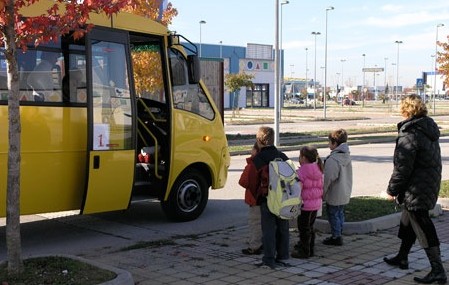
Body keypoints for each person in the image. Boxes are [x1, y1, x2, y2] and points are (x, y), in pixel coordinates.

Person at [383, 95, 446, 284]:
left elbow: (402, 168)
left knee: (423, 225)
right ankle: (402, 256)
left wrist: (391, 190)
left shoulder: (410, 134)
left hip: (416, 187)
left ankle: (438, 270)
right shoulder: (427, 129)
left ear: (407, 110)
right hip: (428, 183)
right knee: (409, 221)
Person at [246, 126, 290, 269]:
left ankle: (269, 258)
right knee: (283, 226)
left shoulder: (258, 159)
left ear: (259, 140)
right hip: (283, 197)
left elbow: (252, 182)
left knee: (268, 229)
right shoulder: (282, 156)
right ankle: (283, 254)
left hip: (267, 198)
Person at [291, 146, 324, 259]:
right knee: (310, 227)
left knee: (303, 228)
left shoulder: (303, 170)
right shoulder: (318, 167)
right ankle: (311, 247)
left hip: (305, 205)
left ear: (303, 158)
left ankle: (305, 250)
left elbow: (298, 187)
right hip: (315, 204)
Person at [322, 129, 353, 246]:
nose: (328, 144)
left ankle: (336, 237)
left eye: (329, 142)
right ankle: (338, 233)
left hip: (334, 193)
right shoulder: (346, 156)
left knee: (333, 214)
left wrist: (323, 192)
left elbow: (328, 178)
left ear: (334, 143)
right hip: (344, 191)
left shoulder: (333, 159)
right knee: (340, 213)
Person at [238, 142, 263, 255]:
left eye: (252, 149)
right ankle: (262, 242)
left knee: (255, 223)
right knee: (263, 223)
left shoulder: (252, 165)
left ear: (256, 151)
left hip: (254, 198)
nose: (251, 151)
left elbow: (243, 181)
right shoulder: (267, 162)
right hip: (265, 198)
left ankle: (255, 246)